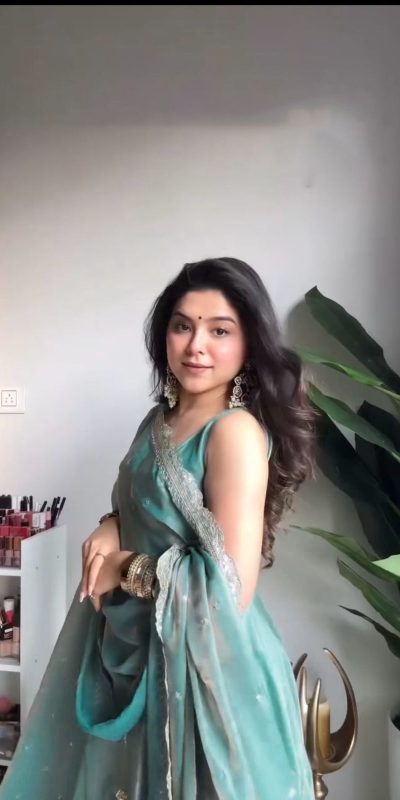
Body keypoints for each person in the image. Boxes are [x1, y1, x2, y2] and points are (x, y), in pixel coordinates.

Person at [0, 257, 317, 799]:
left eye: (220, 331)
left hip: (204, 672)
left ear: (249, 343)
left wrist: (125, 567)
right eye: (182, 325)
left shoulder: (234, 433)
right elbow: (146, 508)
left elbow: (228, 590)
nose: (196, 346)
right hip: (131, 647)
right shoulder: (159, 420)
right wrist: (111, 524)